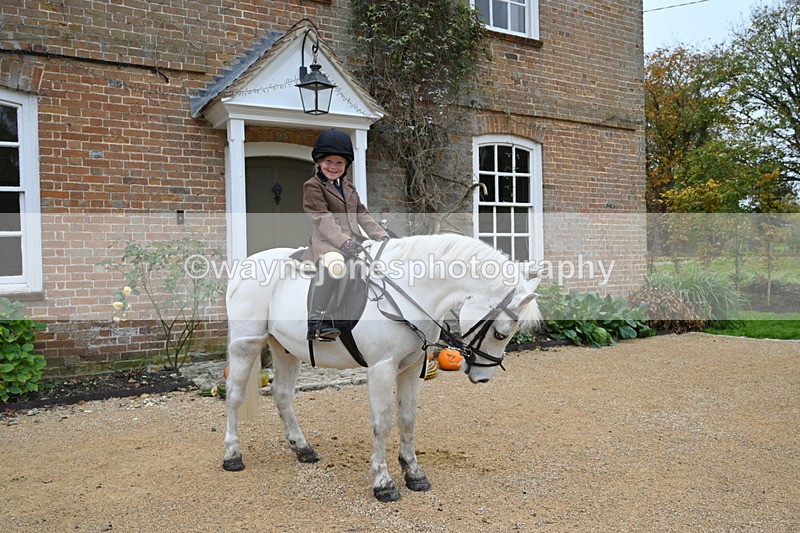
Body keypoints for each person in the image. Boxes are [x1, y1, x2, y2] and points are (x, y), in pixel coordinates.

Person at [302, 129, 389, 342]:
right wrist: (344, 242)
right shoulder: (313, 186)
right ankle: (316, 321)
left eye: (339, 163)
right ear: (319, 162)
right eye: (329, 161)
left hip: (353, 242)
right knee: (336, 264)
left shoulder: (349, 187)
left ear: (346, 165)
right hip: (327, 243)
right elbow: (323, 219)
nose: (333, 167)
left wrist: (382, 236)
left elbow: (362, 214)